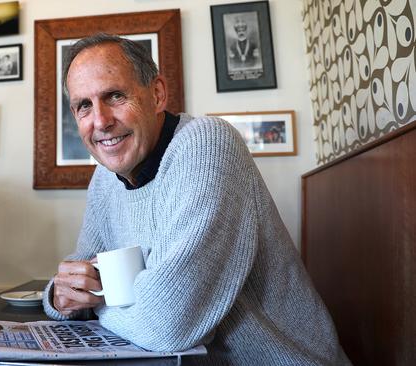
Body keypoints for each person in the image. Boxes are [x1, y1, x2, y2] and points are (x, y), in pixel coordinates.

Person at [41, 33, 350, 365]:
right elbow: (81, 273)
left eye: (115, 96)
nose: (100, 121)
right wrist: (60, 297)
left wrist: (98, 305)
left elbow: (167, 324)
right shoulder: (104, 180)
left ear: (157, 94)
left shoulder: (207, 144)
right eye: (83, 106)